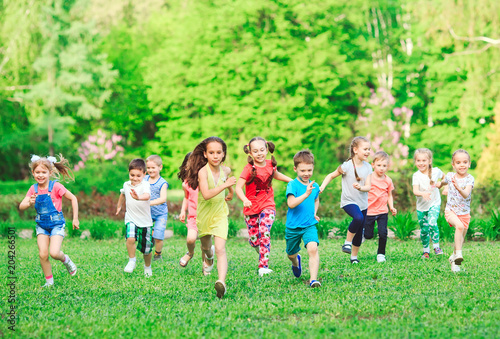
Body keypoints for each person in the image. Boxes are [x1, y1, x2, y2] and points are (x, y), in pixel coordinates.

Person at [185, 137, 236, 298]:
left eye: (219, 152)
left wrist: (230, 193)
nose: (215, 156)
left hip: (220, 214)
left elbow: (228, 182)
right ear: (205, 154)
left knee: (221, 249)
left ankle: (221, 282)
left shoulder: (226, 170)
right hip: (204, 215)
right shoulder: (202, 172)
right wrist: (225, 186)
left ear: (223, 154)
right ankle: (209, 257)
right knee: (207, 248)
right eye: (211, 152)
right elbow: (206, 195)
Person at [235, 137, 292, 276]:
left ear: (266, 149)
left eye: (262, 150)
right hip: (251, 208)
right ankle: (261, 253)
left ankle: (263, 267)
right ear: (250, 153)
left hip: (267, 205)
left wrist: (292, 181)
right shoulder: (248, 169)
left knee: (264, 232)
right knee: (255, 241)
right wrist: (244, 199)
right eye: (255, 151)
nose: (259, 153)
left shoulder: (270, 164)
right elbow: (238, 187)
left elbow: (275, 174)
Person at [19, 154, 79, 287]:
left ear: (50, 173)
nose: (40, 175)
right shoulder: (33, 189)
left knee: (54, 253)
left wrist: (75, 218)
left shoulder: (56, 186)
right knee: (43, 254)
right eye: (37, 172)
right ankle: (49, 282)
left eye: (43, 172)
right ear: (33, 173)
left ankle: (66, 260)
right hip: (41, 226)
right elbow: (21, 206)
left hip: (57, 224)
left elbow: (73, 198)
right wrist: (29, 202)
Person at [320, 136, 372, 264]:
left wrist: (361, 188)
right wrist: (322, 187)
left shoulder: (368, 167)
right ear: (355, 150)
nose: (368, 152)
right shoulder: (347, 166)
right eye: (365, 149)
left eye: (369, 149)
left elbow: (369, 187)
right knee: (358, 218)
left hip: (363, 203)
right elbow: (331, 175)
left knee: (359, 232)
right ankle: (347, 243)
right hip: (348, 201)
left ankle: (354, 258)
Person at [285, 150, 321, 287]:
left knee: (313, 248)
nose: (306, 173)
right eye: (302, 170)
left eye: (309, 170)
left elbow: (316, 199)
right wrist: (306, 194)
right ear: (295, 169)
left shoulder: (315, 186)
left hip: (309, 225)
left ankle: (313, 280)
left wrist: (314, 213)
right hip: (293, 226)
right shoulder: (292, 185)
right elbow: (291, 203)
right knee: (291, 254)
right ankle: (296, 262)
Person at [437, 149, 474, 272]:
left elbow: (466, 194)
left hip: (464, 213)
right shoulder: (450, 176)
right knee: (459, 226)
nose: (462, 165)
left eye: (464, 162)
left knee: (460, 239)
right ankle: (458, 255)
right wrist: (440, 185)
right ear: (453, 165)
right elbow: (444, 181)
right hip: (451, 211)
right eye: (458, 162)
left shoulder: (470, 179)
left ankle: (454, 258)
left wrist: (458, 188)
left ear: (469, 164)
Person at [116, 159, 154, 277]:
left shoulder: (145, 184)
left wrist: (138, 197)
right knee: (130, 239)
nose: (135, 178)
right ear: (129, 173)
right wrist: (119, 207)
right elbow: (122, 194)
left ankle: (147, 267)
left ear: (144, 174)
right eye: (132, 175)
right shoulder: (126, 184)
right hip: (131, 218)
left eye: (138, 175)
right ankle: (132, 260)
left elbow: (147, 196)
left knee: (147, 250)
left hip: (145, 222)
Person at [364, 151, 397, 263]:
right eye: (379, 165)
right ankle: (363, 234)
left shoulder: (388, 180)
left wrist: (392, 207)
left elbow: (389, 195)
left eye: (384, 166)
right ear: (373, 165)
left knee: (383, 233)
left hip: (382, 211)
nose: (381, 168)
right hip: (369, 211)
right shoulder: (369, 178)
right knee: (368, 235)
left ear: (387, 166)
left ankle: (381, 254)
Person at [412, 148, 444, 258]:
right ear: (415, 162)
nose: (421, 163)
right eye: (418, 161)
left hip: (434, 203)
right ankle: (426, 251)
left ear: (429, 161)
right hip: (421, 207)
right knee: (424, 230)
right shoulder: (416, 176)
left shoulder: (436, 171)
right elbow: (415, 191)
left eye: (424, 160)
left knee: (432, 222)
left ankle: (436, 246)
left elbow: (445, 178)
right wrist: (422, 194)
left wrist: (442, 184)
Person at [177, 152, 206, 268]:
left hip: (206, 216)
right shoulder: (186, 184)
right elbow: (186, 197)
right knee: (190, 239)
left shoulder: (206, 181)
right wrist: (183, 211)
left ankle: (206, 265)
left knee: (205, 245)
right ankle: (190, 253)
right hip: (193, 217)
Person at [145, 155, 169, 261]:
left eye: (153, 168)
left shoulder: (162, 183)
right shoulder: (144, 179)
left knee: (158, 237)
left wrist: (149, 203)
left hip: (160, 214)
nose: (150, 170)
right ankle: (152, 234)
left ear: (160, 167)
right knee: (146, 235)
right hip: (147, 213)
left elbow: (163, 199)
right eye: (148, 168)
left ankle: (158, 254)